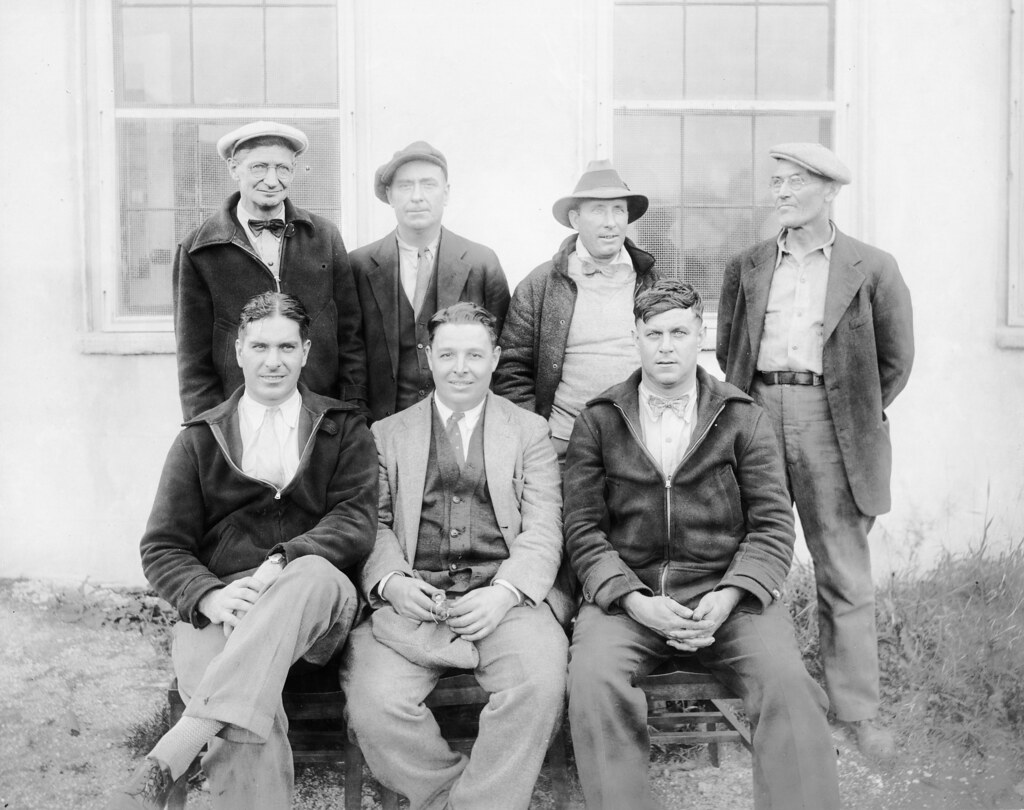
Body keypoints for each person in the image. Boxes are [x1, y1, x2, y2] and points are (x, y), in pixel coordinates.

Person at [564, 280, 841, 810]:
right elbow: (584, 530)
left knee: (788, 684)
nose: (665, 346)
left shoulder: (742, 416)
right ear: (636, 340)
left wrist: (731, 594)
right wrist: (632, 599)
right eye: (653, 334)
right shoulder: (599, 420)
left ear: (700, 337)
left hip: (725, 598)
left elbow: (771, 524)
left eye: (678, 333)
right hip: (632, 598)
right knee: (594, 682)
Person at [108, 292, 377, 810]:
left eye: (285, 346)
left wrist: (281, 560)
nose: (272, 361)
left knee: (310, 573)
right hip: (224, 609)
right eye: (259, 346)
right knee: (243, 706)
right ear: (238, 351)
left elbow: (355, 522)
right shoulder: (199, 439)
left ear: (305, 351)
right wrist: (208, 598)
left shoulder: (343, 429)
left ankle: (172, 754)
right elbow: (163, 547)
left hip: (316, 606)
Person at [716, 143, 914, 758]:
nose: (780, 193)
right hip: (759, 414)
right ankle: (767, 701)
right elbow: (729, 351)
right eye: (775, 182)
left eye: (795, 182)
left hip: (832, 421)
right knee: (749, 556)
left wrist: (847, 409)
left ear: (829, 191)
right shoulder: (747, 264)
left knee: (842, 568)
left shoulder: (871, 267)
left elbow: (894, 360)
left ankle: (857, 712)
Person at [342, 302, 571, 810]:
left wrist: (507, 593)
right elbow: (372, 524)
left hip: (504, 603)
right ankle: (448, 796)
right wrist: (393, 583)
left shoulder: (528, 431)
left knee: (539, 682)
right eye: (447, 355)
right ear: (428, 358)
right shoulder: (387, 434)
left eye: (474, 354)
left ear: (495, 358)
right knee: (375, 705)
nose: (460, 367)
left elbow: (542, 526)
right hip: (413, 603)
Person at [174, 120, 366, 420]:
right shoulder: (199, 251)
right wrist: (210, 432)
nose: (272, 180)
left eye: (283, 169)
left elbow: (351, 337)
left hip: (320, 415)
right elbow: (192, 359)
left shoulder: (325, 237)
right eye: (259, 167)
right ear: (234, 168)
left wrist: (352, 414)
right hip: (241, 418)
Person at [494, 159, 657, 463]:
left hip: (638, 447)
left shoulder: (652, 282)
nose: (610, 222)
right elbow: (511, 370)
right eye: (598, 210)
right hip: (562, 448)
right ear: (575, 218)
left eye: (618, 210)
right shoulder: (540, 285)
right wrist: (538, 436)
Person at [351, 141, 510, 422]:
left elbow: (503, 358)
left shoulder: (481, 263)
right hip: (382, 427)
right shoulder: (359, 266)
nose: (417, 197)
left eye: (428, 185)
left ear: (446, 193)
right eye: (404, 186)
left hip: (464, 426)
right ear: (389, 194)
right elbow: (350, 358)